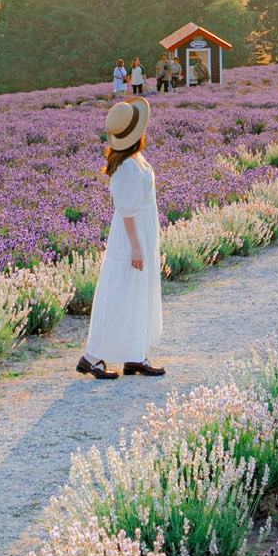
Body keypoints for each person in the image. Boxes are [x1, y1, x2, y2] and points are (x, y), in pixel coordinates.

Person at [77, 98, 164, 381]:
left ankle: (134, 355)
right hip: (131, 238)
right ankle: (91, 358)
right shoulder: (127, 167)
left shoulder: (133, 159)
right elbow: (127, 212)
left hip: (141, 233)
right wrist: (137, 246)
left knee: (136, 293)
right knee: (121, 294)